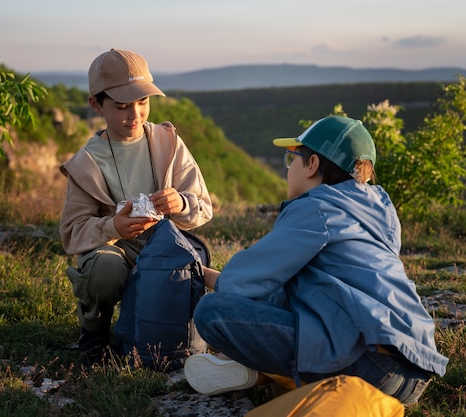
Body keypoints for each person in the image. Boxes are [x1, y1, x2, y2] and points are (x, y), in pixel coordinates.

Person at [183, 116, 448, 406]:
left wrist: (197, 271)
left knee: (212, 311)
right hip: (416, 370)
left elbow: (245, 281)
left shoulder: (317, 208)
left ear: (312, 165)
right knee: (288, 299)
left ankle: (263, 372)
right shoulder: (377, 212)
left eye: (291, 158)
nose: (288, 168)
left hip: (372, 367)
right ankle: (264, 372)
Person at [59, 49, 213, 363]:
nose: (135, 115)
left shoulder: (167, 142)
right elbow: (72, 233)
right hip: (115, 249)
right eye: (122, 106)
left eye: (143, 102)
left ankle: (171, 338)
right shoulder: (86, 162)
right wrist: (113, 226)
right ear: (95, 104)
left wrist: (180, 202)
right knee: (105, 268)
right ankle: (95, 334)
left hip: (165, 244)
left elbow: (203, 208)